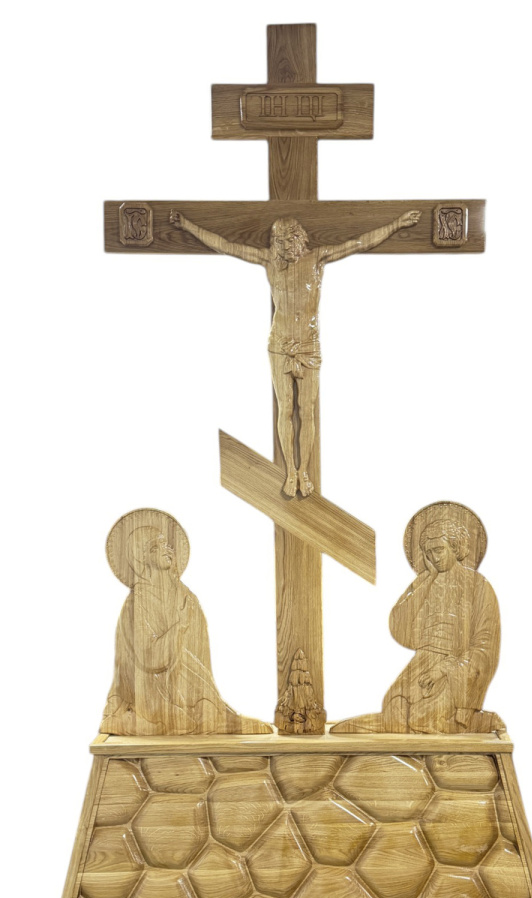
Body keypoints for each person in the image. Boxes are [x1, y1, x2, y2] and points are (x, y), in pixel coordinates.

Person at [171, 209, 421, 497]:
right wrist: (187, 225)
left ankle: (304, 471)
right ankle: (290, 470)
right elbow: (226, 245)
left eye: (290, 241)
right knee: (286, 408)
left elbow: (360, 243)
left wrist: (397, 223)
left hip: (308, 346)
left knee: (307, 409)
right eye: (279, 242)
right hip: (280, 346)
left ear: (301, 239)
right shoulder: (270, 261)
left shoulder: (317, 258)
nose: (285, 247)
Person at [101, 521, 269, 735]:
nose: (166, 550)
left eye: (166, 544)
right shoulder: (137, 602)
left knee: (207, 713)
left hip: (187, 681)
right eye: (155, 547)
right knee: (185, 721)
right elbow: (149, 658)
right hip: (152, 691)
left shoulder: (185, 595)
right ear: (141, 559)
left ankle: (212, 714)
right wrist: (179, 626)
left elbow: (198, 650)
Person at [382, 518, 500, 733]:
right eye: (429, 553)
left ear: (455, 547)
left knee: (419, 719)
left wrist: (444, 669)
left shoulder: (479, 586)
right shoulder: (424, 582)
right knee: (393, 712)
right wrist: (428, 580)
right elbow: (399, 626)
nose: (434, 558)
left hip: (456, 670)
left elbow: (485, 645)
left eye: (439, 550)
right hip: (422, 661)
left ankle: (482, 721)